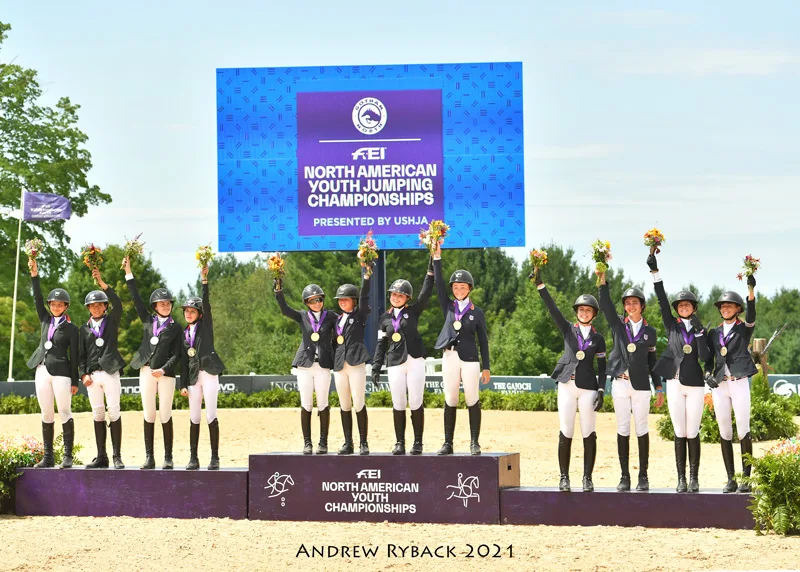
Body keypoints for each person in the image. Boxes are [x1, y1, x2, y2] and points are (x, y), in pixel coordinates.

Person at [533, 269, 606, 491]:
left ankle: (587, 478)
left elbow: (602, 367)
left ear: (594, 313)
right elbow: (552, 309)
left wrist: (602, 390)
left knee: (588, 431)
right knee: (566, 430)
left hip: (588, 388)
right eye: (581, 309)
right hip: (567, 384)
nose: (584, 313)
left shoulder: (598, 338)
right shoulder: (567, 329)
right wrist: (540, 285)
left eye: (588, 310)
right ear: (577, 312)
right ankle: (564, 477)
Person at [646, 253, 709, 493]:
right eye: (680, 305)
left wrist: (702, 336)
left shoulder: (701, 329)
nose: (683, 307)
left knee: (692, 431)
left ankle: (694, 478)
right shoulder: (671, 325)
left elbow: (705, 357)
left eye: (687, 305)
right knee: (679, 431)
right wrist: (655, 272)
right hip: (673, 383)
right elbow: (661, 300)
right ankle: (681, 478)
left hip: (694, 384)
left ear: (693, 308)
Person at [597, 270, 663, 491]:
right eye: (628, 303)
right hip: (620, 382)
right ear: (624, 307)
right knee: (623, 427)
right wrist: (602, 280)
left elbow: (653, 360)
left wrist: (659, 387)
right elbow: (605, 305)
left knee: (641, 428)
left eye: (635, 302)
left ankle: (643, 476)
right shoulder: (618, 325)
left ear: (642, 306)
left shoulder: (650, 332)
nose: (631, 306)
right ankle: (624, 476)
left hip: (642, 385)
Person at [431, 243, 490, 456]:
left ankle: (474, 442)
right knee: (451, 398)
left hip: (470, 359)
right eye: (455, 287)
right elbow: (438, 285)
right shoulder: (448, 306)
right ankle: (448, 443)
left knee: (472, 398)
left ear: (469, 289)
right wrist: (437, 258)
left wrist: (487, 367)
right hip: (449, 356)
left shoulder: (477, 312)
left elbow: (483, 340)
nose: (458, 290)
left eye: (462, 287)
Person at [124, 257, 182, 469]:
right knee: (149, 413)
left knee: (165, 413)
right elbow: (136, 298)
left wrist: (164, 368)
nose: (165, 306)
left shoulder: (176, 328)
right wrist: (128, 273)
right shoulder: (148, 320)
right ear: (155, 306)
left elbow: (178, 354)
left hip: (165, 375)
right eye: (161, 304)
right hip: (146, 372)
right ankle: (149, 457)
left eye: (167, 303)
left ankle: (168, 457)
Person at [372, 260, 434, 455]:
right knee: (398, 402)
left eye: (400, 295)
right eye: (394, 294)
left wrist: (430, 271)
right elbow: (381, 344)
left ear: (407, 298)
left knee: (416, 401)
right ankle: (399, 442)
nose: (396, 297)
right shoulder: (384, 318)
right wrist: (375, 367)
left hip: (415, 360)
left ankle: (418, 442)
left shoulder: (413, 312)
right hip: (394, 362)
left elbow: (425, 294)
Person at [705, 275, 758, 493]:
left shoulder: (743, 329)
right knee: (724, 430)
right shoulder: (714, 333)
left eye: (730, 306)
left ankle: (745, 478)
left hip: (739, 382)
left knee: (743, 429)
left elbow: (752, 315)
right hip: (720, 385)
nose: (726, 308)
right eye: (723, 306)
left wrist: (751, 291)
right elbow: (710, 359)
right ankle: (730, 478)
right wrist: (707, 373)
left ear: (738, 309)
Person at [274, 279, 338, 454]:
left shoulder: (331, 316)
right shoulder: (302, 316)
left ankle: (323, 442)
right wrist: (278, 288)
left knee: (323, 403)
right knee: (306, 404)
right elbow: (284, 309)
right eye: (312, 300)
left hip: (323, 365)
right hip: (304, 365)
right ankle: (307, 443)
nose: (316, 303)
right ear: (307, 303)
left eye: (319, 299)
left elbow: (344, 327)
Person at [26, 259, 78, 469]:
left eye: (60, 304)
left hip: (62, 373)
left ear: (65, 307)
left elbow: (74, 355)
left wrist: (75, 380)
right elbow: (37, 297)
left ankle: (67, 456)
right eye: (53, 304)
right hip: (41, 370)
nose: (55, 307)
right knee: (46, 412)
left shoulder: (72, 329)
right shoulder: (45, 319)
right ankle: (48, 457)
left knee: (64, 410)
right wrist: (34, 275)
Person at [79, 268, 127, 469]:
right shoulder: (83, 329)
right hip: (92, 376)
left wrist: (103, 285)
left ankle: (117, 456)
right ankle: (102, 456)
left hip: (110, 372)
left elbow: (119, 304)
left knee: (114, 411)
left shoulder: (111, 320)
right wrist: (82, 374)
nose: (96, 308)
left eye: (100, 305)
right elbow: (80, 355)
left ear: (105, 306)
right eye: (93, 305)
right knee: (98, 414)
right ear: (88, 308)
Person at [179, 264, 226, 470]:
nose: (188, 314)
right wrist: (182, 383)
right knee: (194, 416)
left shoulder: (206, 327)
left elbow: (206, 305)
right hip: (192, 377)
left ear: (199, 313)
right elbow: (182, 360)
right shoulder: (183, 333)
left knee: (211, 415)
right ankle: (193, 457)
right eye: (186, 311)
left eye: (192, 311)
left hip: (209, 373)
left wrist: (204, 281)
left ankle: (214, 457)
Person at [332, 265, 372, 455]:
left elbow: (365, 297)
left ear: (354, 301)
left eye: (345, 299)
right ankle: (348, 442)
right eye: (340, 299)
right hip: (340, 365)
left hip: (356, 362)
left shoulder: (360, 315)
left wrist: (367, 276)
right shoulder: (336, 319)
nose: (342, 302)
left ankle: (363, 442)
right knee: (344, 403)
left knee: (358, 401)